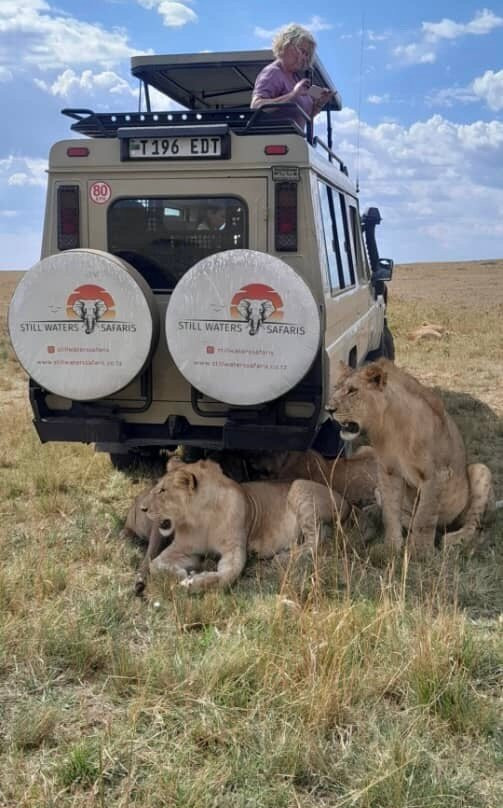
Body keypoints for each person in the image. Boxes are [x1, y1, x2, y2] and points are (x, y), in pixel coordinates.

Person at [251, 23, 334, 127]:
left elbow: (303, 116)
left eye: (307, 54)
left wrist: (319, 104)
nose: (304, 58)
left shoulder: (296, 78)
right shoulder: (273, 72)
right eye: (302, 51)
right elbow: (256, 105)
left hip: (294, 140)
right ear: (286, 45)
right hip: (277, 139)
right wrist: (292, 95)